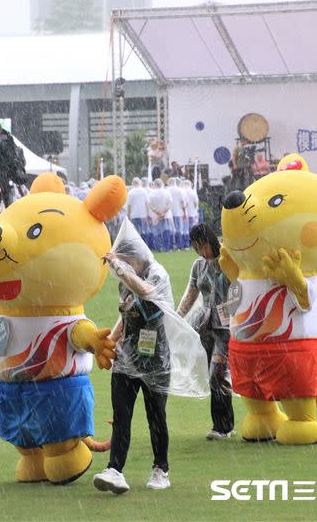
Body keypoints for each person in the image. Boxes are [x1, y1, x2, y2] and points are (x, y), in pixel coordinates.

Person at [92, 221, 207, 494]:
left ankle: (160, 469)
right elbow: (125, 314)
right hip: (126, 359)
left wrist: (121, 269)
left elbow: (145, 292)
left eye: (125, 259)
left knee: (156, 417)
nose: (121, 265)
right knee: (122, 415)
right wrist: (111, 342)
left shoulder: (157, 274)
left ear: (135, 257)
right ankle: (115, 470)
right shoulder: (126, 278)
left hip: (155, 359)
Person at [176, 224, 235, 440]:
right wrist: (177, 317)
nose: (199, 250)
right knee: (211, 376)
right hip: (204, 327)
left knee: (217, 375)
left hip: (226, 328)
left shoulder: (227, 261)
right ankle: (219, 424)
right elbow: (190, 295)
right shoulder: (198, 266)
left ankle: (224, 426)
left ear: (209, 241)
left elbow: (237, 291)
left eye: (200, 245)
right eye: (195, 246)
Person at [0, 122, 23, 216]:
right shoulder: (7, 139)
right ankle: (4, 210)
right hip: (5, 170)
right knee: (3, 190)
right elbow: (14, 153)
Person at [125, 177, 149, 242]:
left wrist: (128, 215)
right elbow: (147, 203)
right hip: (143, 215)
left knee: (135, 232)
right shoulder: (144, 191)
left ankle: (137, 246)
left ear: (132, 183)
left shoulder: (130, 193)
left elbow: (129, 205)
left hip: (134, 215)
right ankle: (145, 245)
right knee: (144, 231)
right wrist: (148, 213)